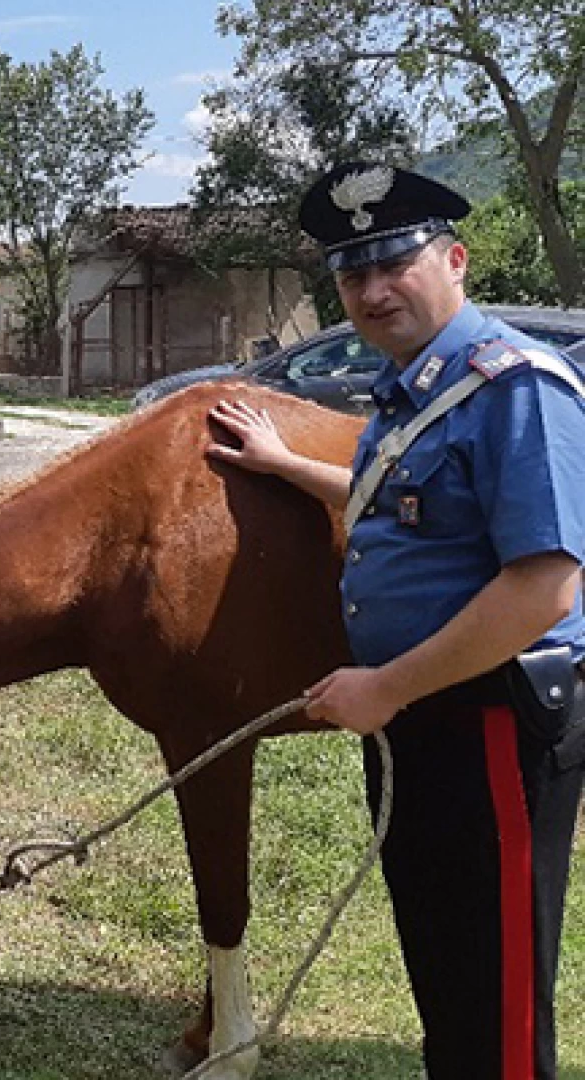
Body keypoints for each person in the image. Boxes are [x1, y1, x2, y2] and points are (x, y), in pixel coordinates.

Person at [207, 162, 585, 1079]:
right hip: (427, 722)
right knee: (446, 967)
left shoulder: (515, 388)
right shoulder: (409, 388)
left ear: (455, 261)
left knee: (495, 995)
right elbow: (405, 506)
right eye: (351, 273)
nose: (372, 290)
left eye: (394, 262)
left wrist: (384, 686)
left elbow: (545, 586)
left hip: (495, 724)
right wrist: (288, 464)